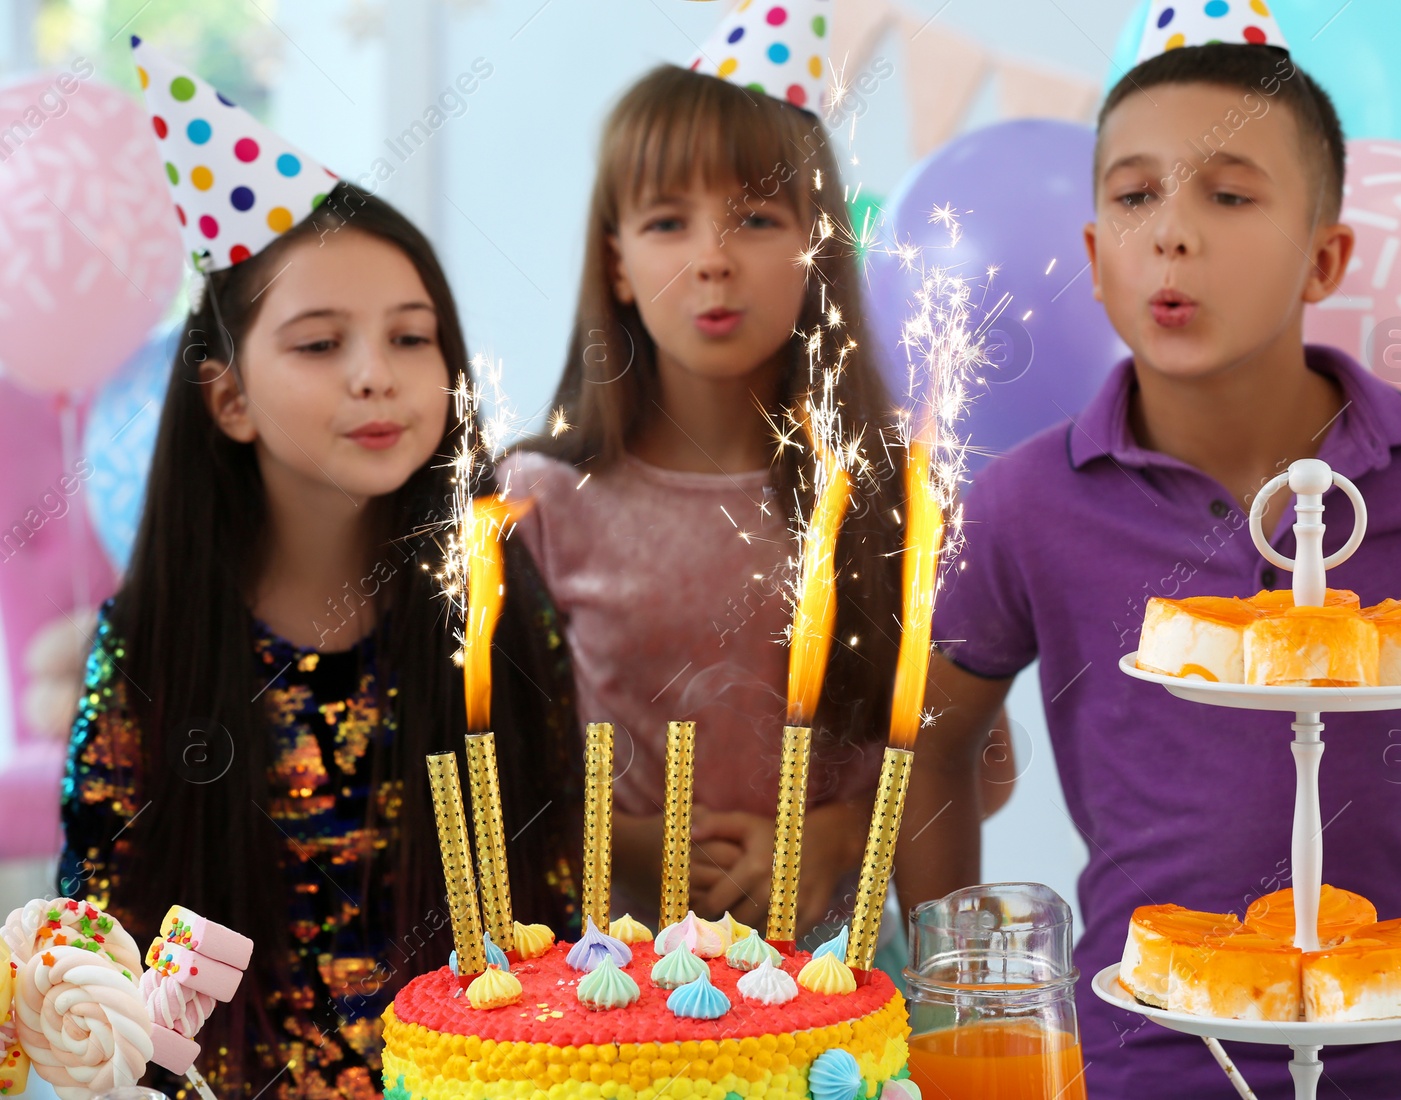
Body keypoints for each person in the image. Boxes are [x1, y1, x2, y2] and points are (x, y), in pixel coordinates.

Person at [897, 27, 1401, 1100]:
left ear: (1324, 257)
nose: (1172, 234)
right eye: (1135, 198)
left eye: (1228, 196)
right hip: (1147, 1056)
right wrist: (950, 1013)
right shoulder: (1030, 500)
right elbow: (933, 744)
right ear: (1094, 260)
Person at [58, 44, 579, 1099]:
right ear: (229, 398)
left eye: (410, 335)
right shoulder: (154, 641)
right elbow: (95, 962)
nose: (375, 373)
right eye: (318, 342)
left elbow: (553, 904)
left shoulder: (492, 599)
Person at [502, 59, 914, 937]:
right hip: (613, 1004)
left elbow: (972, 766)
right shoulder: (534, 503)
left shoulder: (893, 492)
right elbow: (488, 777)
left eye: (758, 219)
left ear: (818, 248)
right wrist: (630, 844)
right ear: (616, 263)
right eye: (666, 221)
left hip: (846, 1002)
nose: (714, 261)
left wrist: (837, 836)